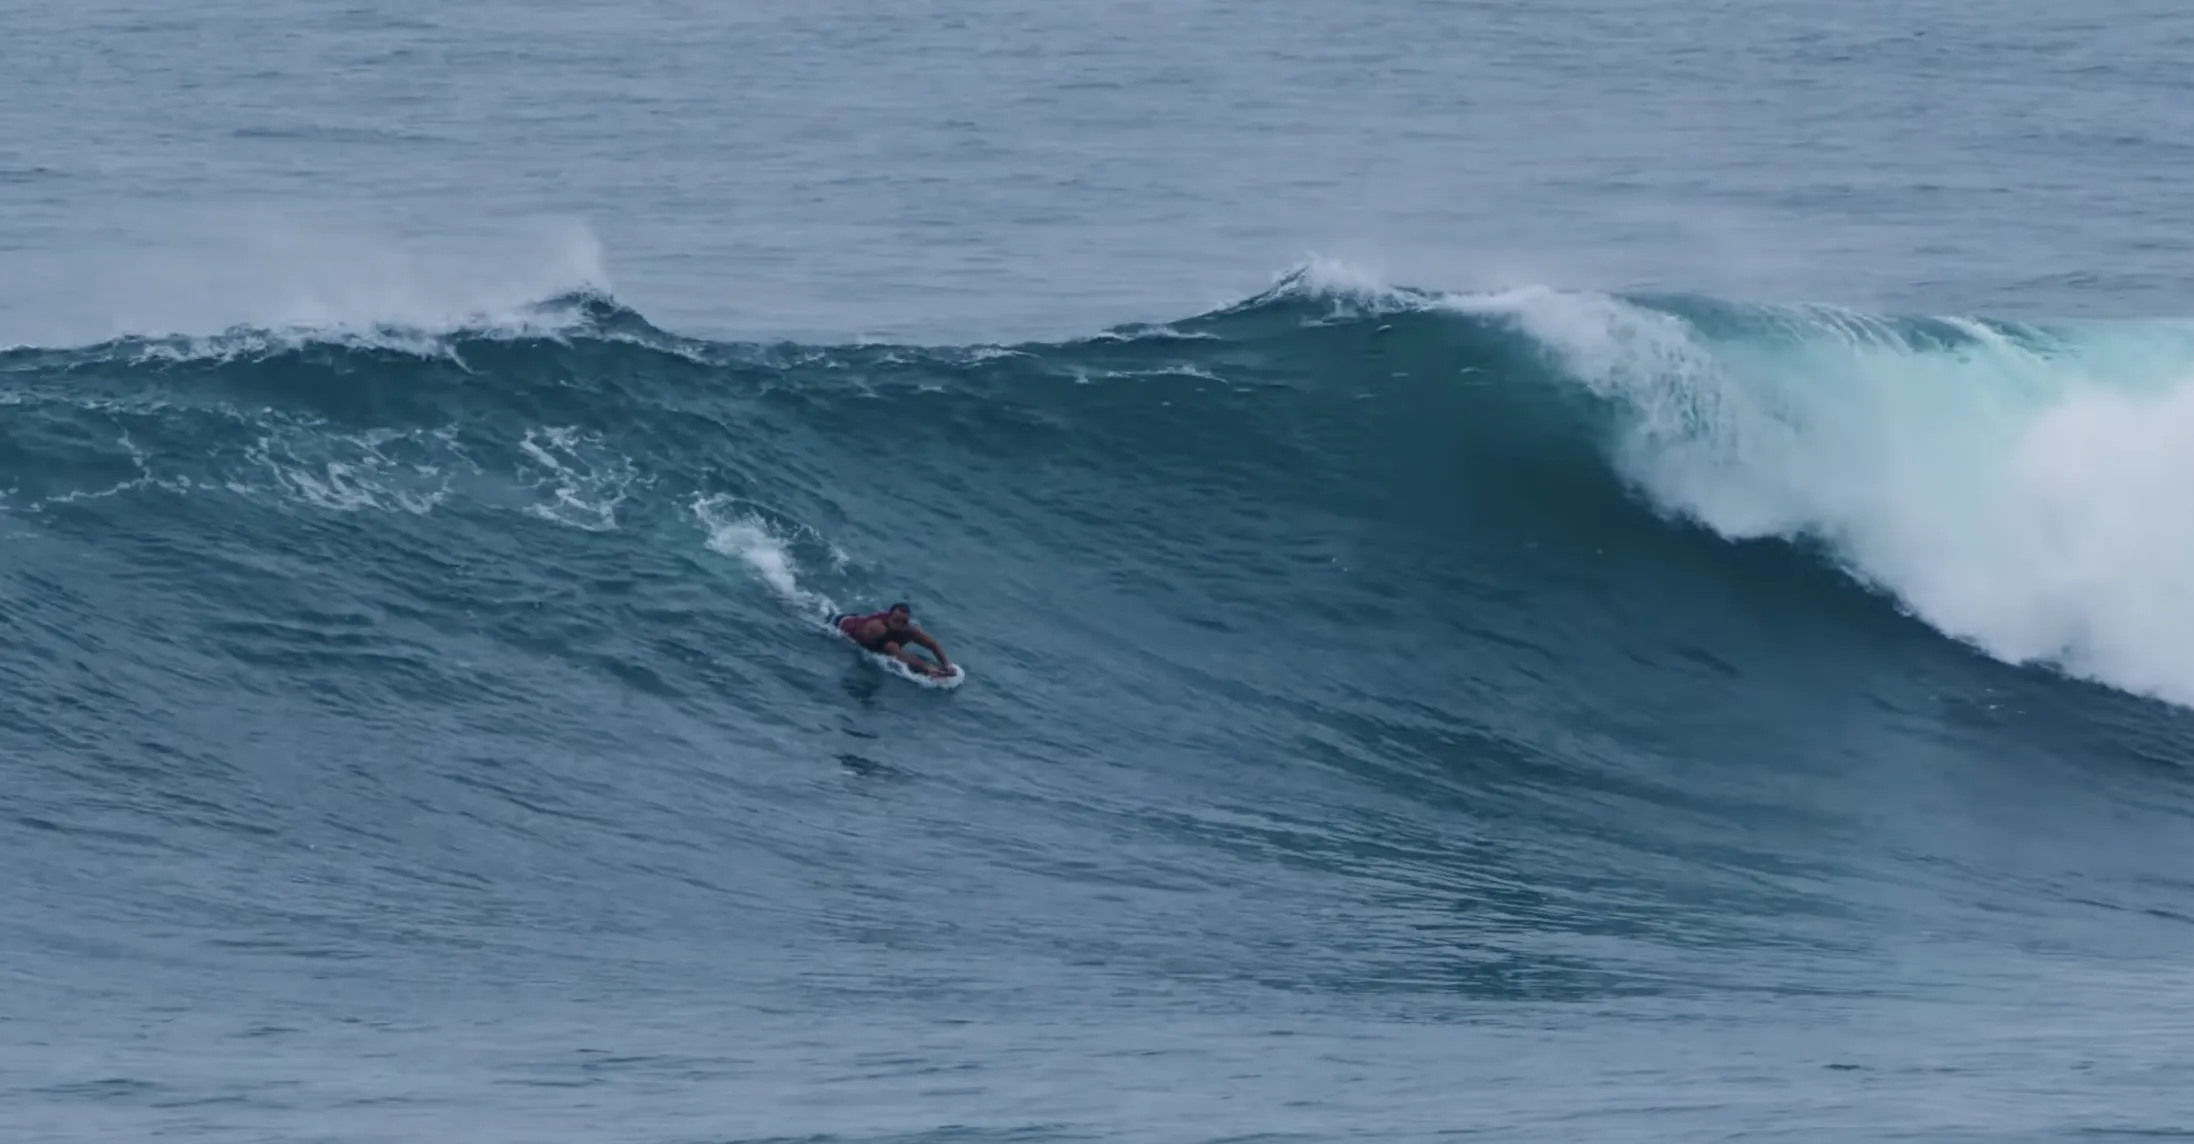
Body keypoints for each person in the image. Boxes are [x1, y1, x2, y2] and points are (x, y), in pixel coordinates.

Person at [833, 602, 954, 678]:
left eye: (903, 622)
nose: (899, 625)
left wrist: (947, 664)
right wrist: (927, 668)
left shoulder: (909, 630)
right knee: (892, 647)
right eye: (896, 621)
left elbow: (933, 644)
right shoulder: (878, 628)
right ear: (889, 617)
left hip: (860, 622)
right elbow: (898, 654)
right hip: (840, 624)